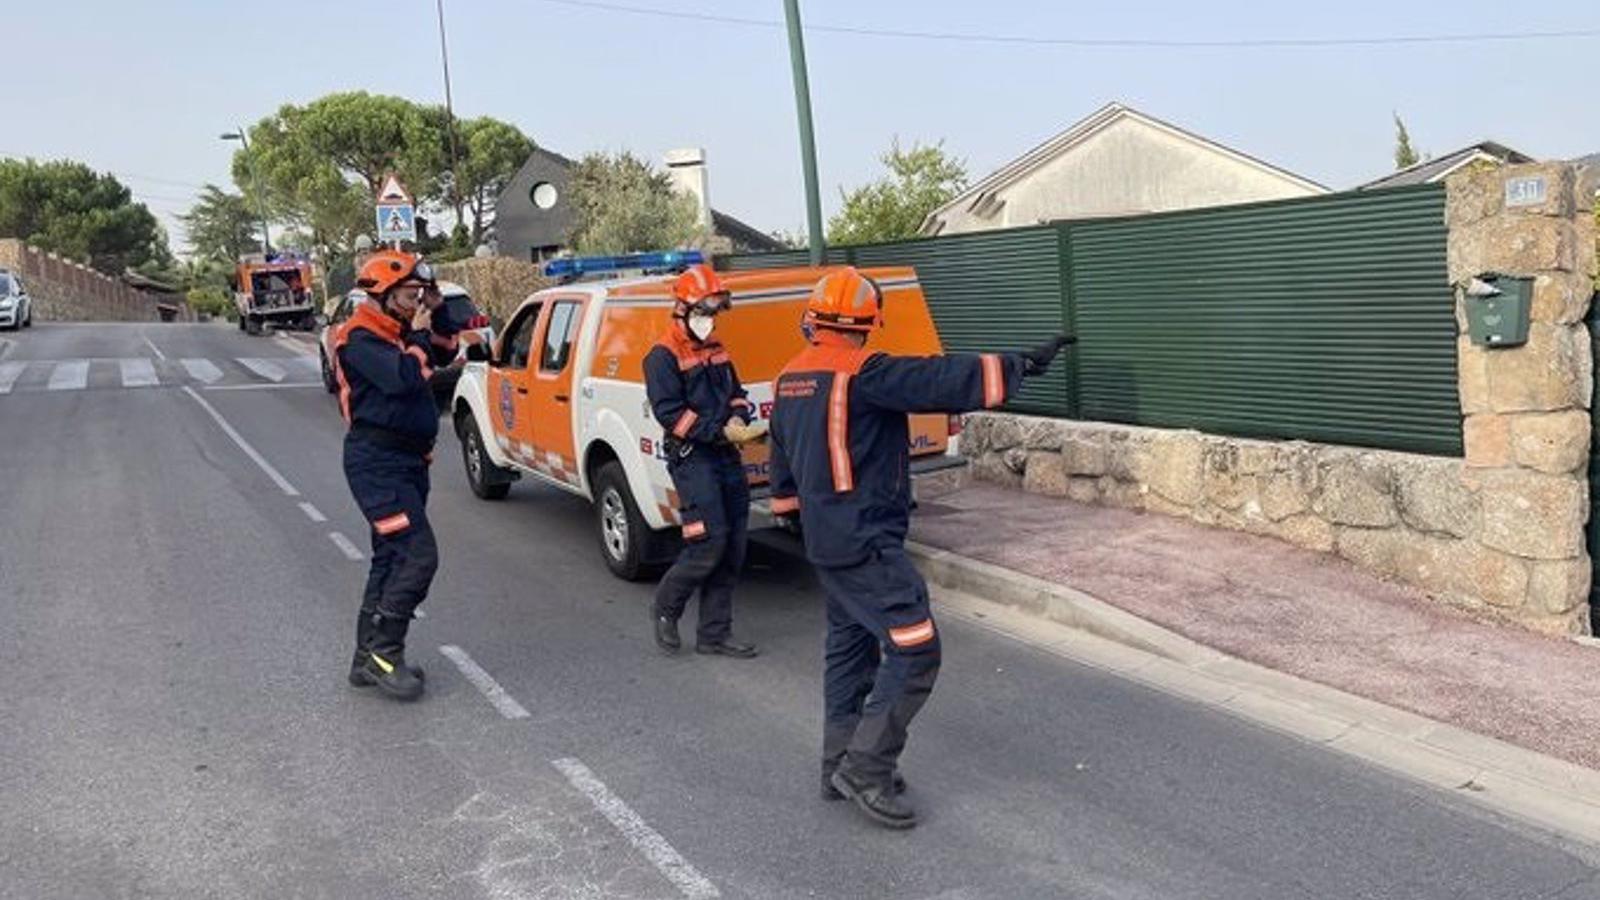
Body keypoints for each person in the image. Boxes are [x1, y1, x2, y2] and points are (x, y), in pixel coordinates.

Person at [768, 267, 1071, 829]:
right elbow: (938, 379)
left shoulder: (790, 378)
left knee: (850, 648)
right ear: (867, 323)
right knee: (915, 648)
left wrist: (791, 514)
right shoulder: (866, 373)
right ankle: (867, 767)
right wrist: (1020, 364)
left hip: (827, 541)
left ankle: (837, 762)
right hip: (865, 541)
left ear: (813, 318)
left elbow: (781, 462)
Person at [332, 250, 457, 701]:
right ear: (383, 295)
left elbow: (446, 352)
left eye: (421, 294)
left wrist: (438, 313)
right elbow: (405, 378)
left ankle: (363, 662)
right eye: (409, 295)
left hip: (407, 464)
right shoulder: (360, 338)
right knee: (417, 557)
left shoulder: (401, 329)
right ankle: (385, 654)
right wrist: (421, 337)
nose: (416, 302)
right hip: (377, 467)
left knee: (389, 559)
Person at [642, 264, 764, 659]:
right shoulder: (661, 356)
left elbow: (738, 393)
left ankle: (714, 635)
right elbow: (670, 414)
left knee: (733, 547)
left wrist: (738, 418)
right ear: (682, 310)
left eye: (713, 314)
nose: (710, 322)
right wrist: (719, 430)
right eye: (704, 313)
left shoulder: (717, 350)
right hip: (694, 460)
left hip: (725, 455)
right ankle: (666, 606)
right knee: (708, 543)